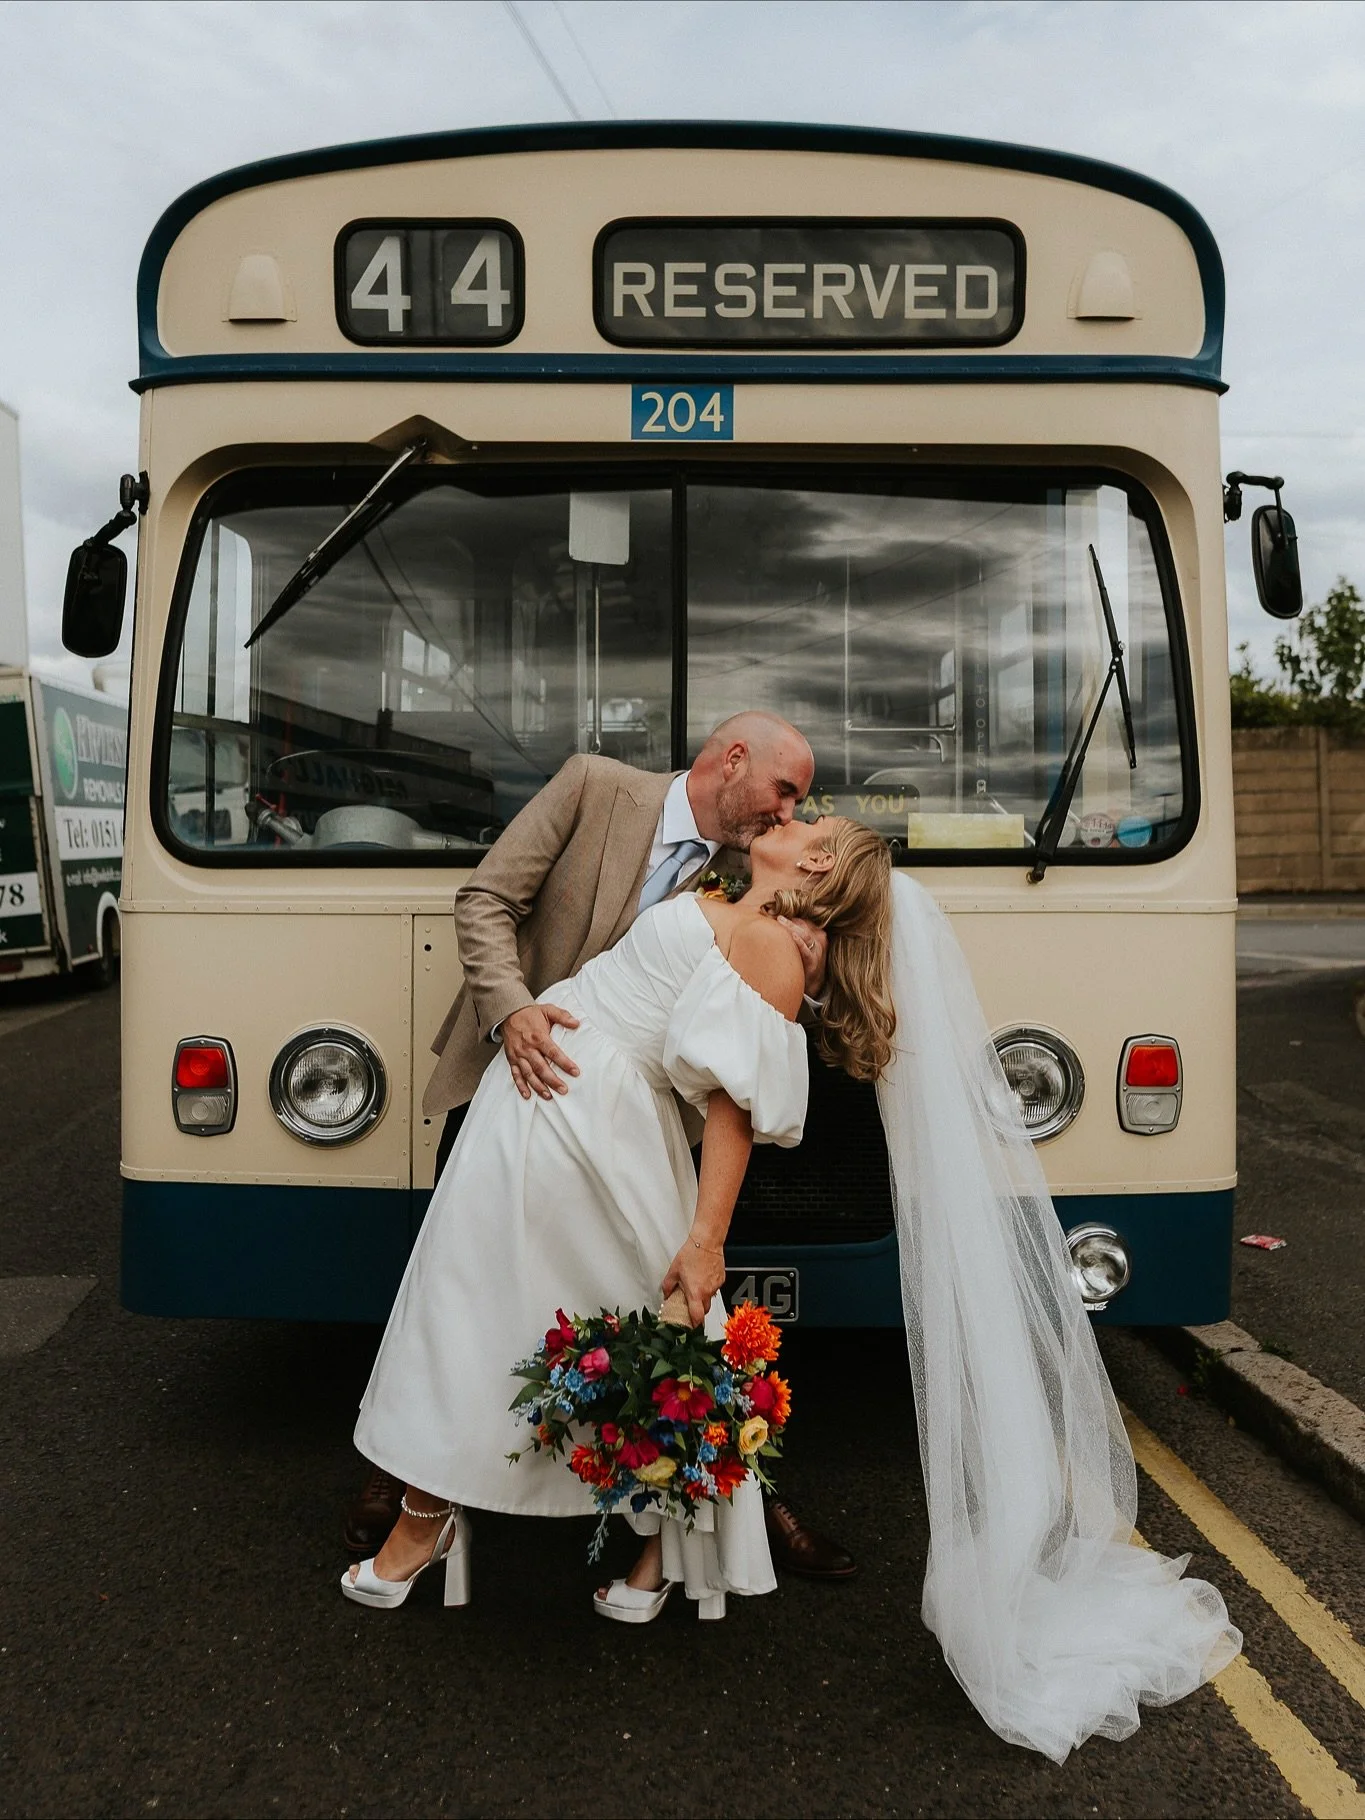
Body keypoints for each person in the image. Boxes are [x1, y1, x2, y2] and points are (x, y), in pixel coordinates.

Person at [343, 713, 858, 1582]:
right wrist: (512, 1012)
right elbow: (484, 899)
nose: (787, 813)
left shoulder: (750, 873)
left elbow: (743, 1015)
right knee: (462, 1290)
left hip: (634, 1125)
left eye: (798, 809)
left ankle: (728, 1503)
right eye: (785, 791)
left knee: (654, 1310)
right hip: (522, 1080)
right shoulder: (592, 787)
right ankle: (406, 1485)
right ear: (733, 760)